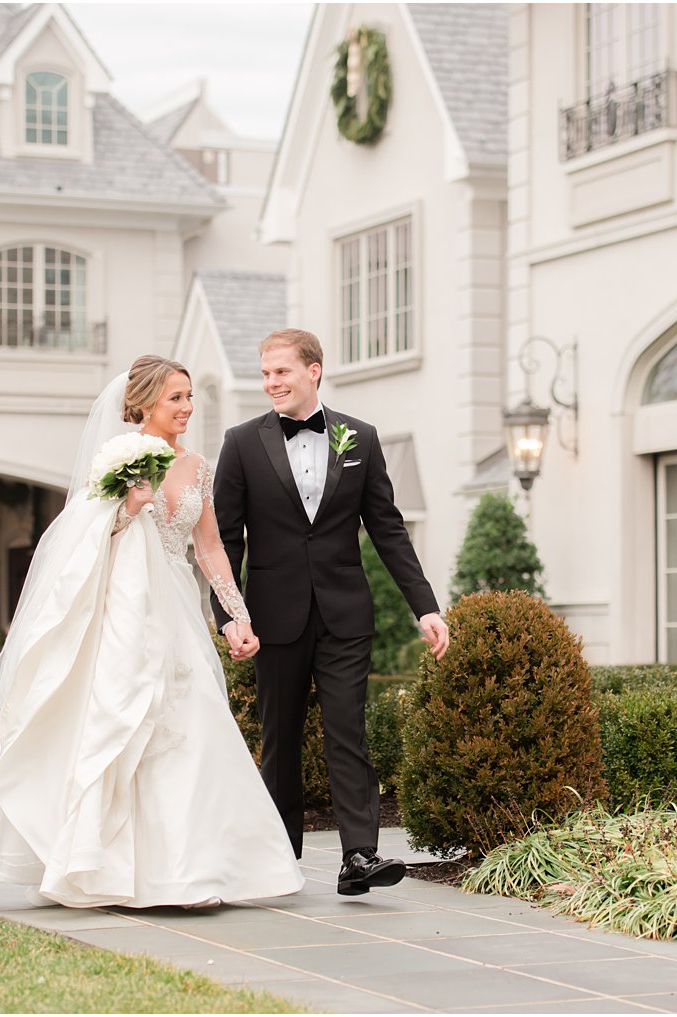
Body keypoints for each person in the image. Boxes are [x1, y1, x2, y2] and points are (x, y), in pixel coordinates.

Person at [0, 355, 304, 909]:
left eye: (190, 397)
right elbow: (82, 541)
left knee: (193, 720)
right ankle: (111, 870)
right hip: (126, 612)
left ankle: (199, 869)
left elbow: (210, 547)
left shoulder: (196, 465)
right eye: (176, 398)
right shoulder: (118, 459)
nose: (187, 408)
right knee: (124, 722)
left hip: (178, 608)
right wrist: (125, 509)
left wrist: (236, 616)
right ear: (145, 403)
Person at [212, 328, 449, 896]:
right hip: (273, 616)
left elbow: (388, 530)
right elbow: (225, 539)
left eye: (281, 372)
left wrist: (426, 607)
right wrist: (229, 615)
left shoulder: (359, 437)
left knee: (349, 732)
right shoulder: (242, 442)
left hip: (345, 614)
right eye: (265, 373)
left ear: (313, 370)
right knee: (281, 738)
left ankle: (360, 857)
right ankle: (277, 856)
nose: (271, 383)